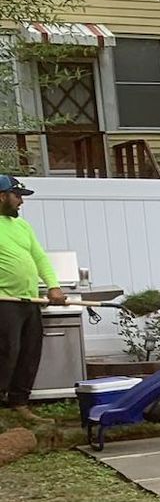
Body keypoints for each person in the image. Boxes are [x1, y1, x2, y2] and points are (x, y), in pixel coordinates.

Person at [0, 175, 65, 419]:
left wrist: (53, 286)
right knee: (7, 351)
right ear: (2, 196)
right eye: (17, 196)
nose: (21, 202)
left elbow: (40, 258)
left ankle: (19, 403)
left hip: (29, 301)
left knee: (29, 352)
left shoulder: (22, 226)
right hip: (4, 302)